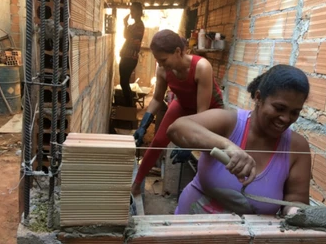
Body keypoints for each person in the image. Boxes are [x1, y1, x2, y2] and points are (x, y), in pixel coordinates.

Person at [166, 64, 311, 216]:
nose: (286, 118)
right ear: (258, 97)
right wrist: (227, 146)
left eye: (295, 112)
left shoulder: (297, 147)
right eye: (279, 108)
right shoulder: (230, 123)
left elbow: (295, 200)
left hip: (248, 237)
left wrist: (296, 212)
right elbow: (176, 129)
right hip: (191, 227)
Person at [131, 29, 224, 196]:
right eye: (158, 60)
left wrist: (190, 145)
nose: (161, 64)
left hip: (209, 111)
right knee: (158, 140)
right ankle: (136, 183)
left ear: (178, 51)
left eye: (164, 59)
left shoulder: (202, 67)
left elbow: (201, 114)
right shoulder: (162, 70)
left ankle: (208, 191)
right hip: (183, 104)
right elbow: (157, 99)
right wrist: (143, 125)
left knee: (207, 150)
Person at [119, 2, 145, 107]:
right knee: (123, 82)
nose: (131, 13)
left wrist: (126, 25)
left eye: (133, 11)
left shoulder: (140, 26)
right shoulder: (134, 25)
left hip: (130, 57)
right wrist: (125, 24)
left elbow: (132, 39)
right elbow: (125, 35)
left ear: (139, 12)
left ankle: (129, 107)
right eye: (131, 11)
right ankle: (128, 106)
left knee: (124, 83)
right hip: (126, 56)